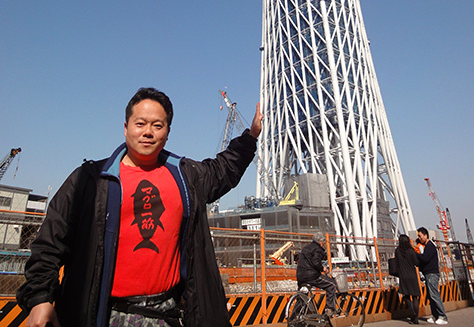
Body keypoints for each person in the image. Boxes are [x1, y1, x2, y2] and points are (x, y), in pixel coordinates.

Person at [17, 87, 263, 327]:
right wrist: (40, 298)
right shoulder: (91, 180)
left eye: (157, 125)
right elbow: (50, 244)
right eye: (140, 123)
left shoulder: (186, 176)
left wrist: (250, 136)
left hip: (167, 313)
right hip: (103, 314)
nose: (148, 132)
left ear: (167, 133)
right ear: (125, 128)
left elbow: (223, 169)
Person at [296, 231, 337, 316]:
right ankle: (329, 309)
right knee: (331, 284)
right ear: (321, 241)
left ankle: (294, 316)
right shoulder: (318, 249)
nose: (324, 244)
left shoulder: (306, 247)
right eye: (324, 242)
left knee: (302, 296)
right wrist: (323, 269)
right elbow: (316, 263)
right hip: (311, 276)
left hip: (300, 276)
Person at [416, 227, 448, 325]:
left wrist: (416, 254)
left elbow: (425, 259)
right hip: (428, 273)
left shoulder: (430, 246)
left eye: (420, 236)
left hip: (432, 274)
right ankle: (435, 316)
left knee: (434, 295)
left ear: (426, 235)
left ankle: (443, 316)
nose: (419, 238)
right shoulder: (426, 246)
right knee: (431, 296)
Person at [395, 234, 420, 324]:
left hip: (403, 276)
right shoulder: (411, 251)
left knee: (406, 295)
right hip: (412, 276)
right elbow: (416, 263)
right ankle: (416, 318)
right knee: (415, 296)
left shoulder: (397, 251)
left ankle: (411, 311)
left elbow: (396, 262)